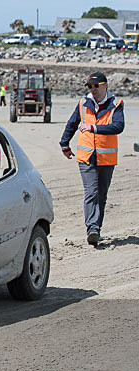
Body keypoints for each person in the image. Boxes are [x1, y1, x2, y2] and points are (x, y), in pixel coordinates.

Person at [60, 72, 125, 245]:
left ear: (105, 86)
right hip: (86, 157)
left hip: (107, 158)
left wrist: (93, 128)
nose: (93, 89)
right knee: (91, 192)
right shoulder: (83, 103)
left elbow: (118, 126)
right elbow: (72, 123)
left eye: (96, 86)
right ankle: (92, 228)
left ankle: (97, 227)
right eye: (90, 86)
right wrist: (64, 144)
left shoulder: (116, 104)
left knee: (101, 196)